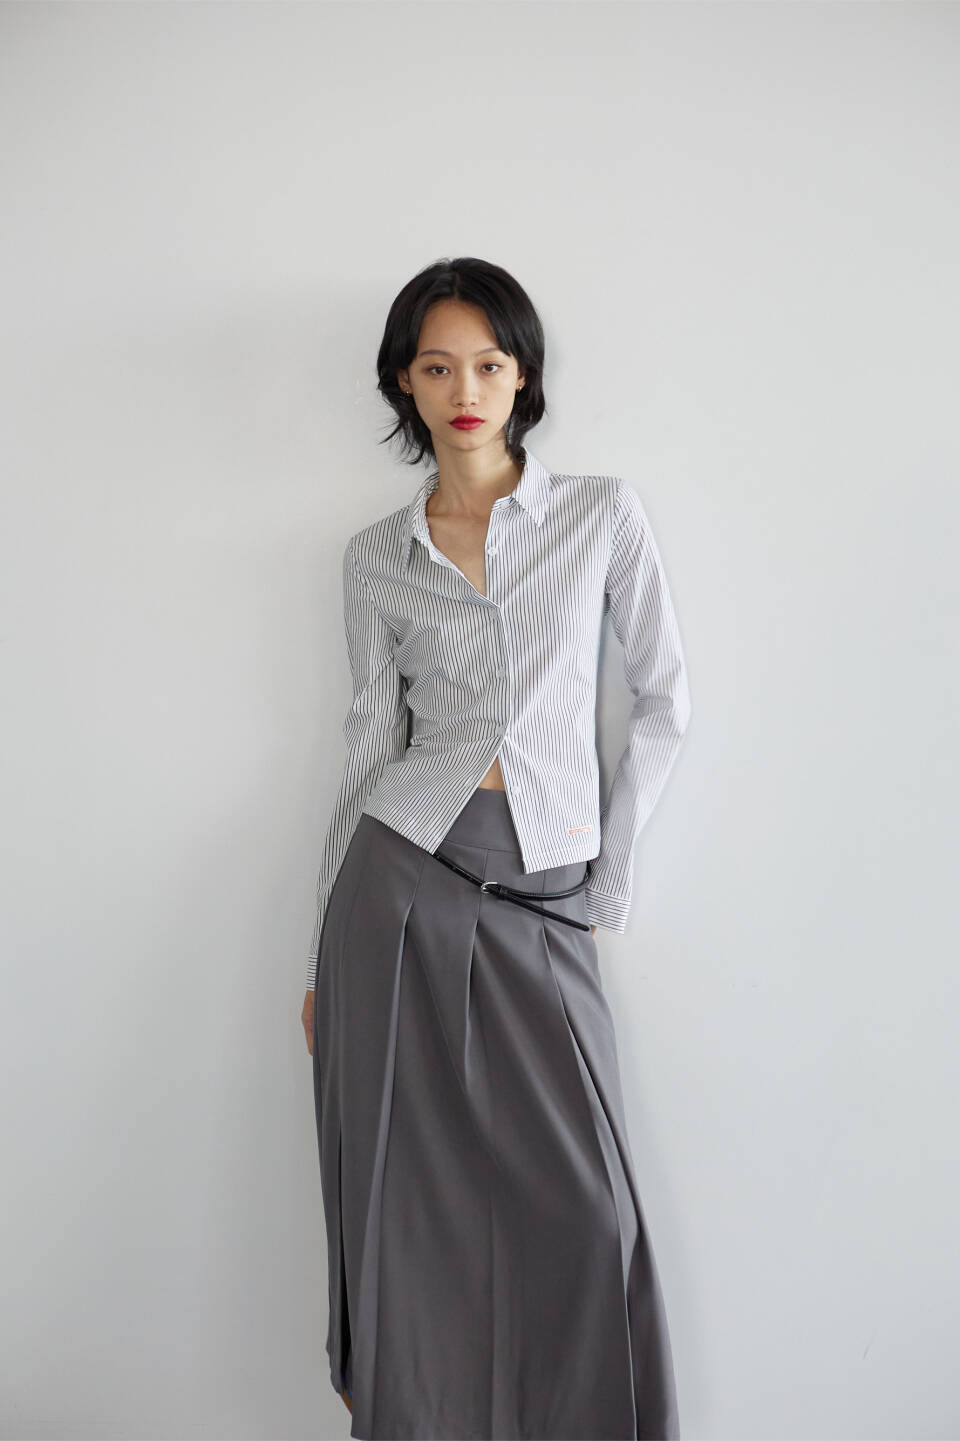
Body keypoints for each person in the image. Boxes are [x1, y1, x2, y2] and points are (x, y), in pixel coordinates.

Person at [300, 256, 691, 1440]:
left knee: (591, 1210)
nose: (464, 389)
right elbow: (368, 745)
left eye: (488, 363)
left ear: (522, 376)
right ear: (404, 385)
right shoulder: (376, 556)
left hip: (545, 889)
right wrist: (318, 961)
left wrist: (606, 885)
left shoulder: (599, 514)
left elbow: (665, 705)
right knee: (408, 1211)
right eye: (436, 367)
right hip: (399, 889)